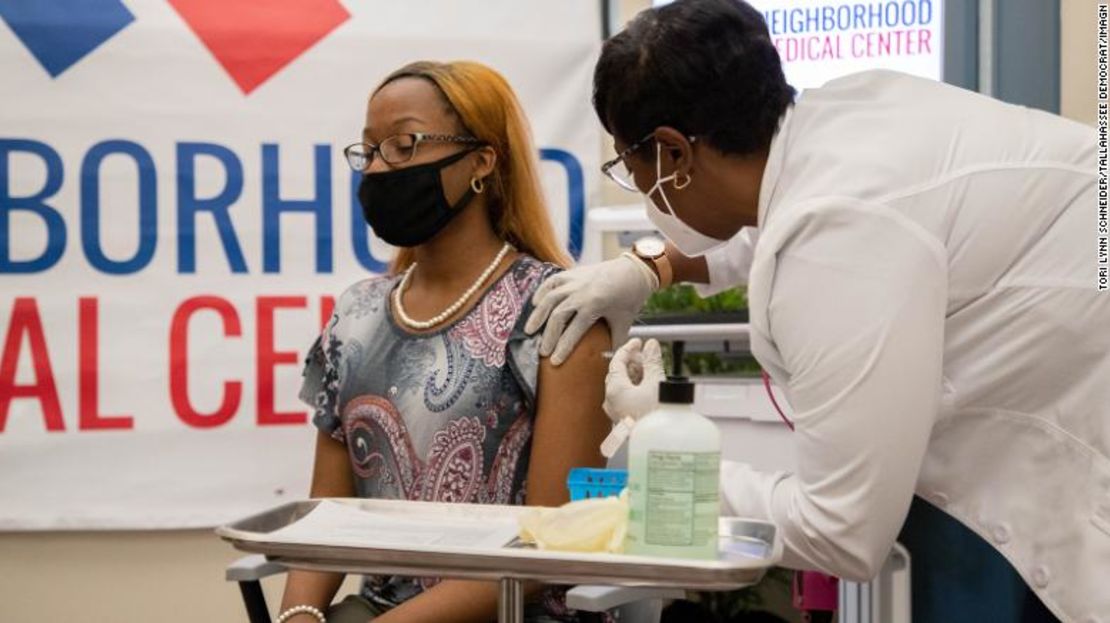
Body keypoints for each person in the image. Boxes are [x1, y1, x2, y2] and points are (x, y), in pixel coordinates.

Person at [525, 1, 1107, 621]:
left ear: (672, 153)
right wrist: (651, 265)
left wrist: (658, 445)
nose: (638, 188)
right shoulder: (845, 115)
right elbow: (769, 219)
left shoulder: (839, 239)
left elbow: (842, 532)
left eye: (628, 164)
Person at [278, 60, 612, 623]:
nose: (380, 167)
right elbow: (328, 517)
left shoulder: (555, 311)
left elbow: (552, 541)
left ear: (482, 161)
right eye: (370, 150)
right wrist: (301, 615)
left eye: (404, 145)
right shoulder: (356, 314)